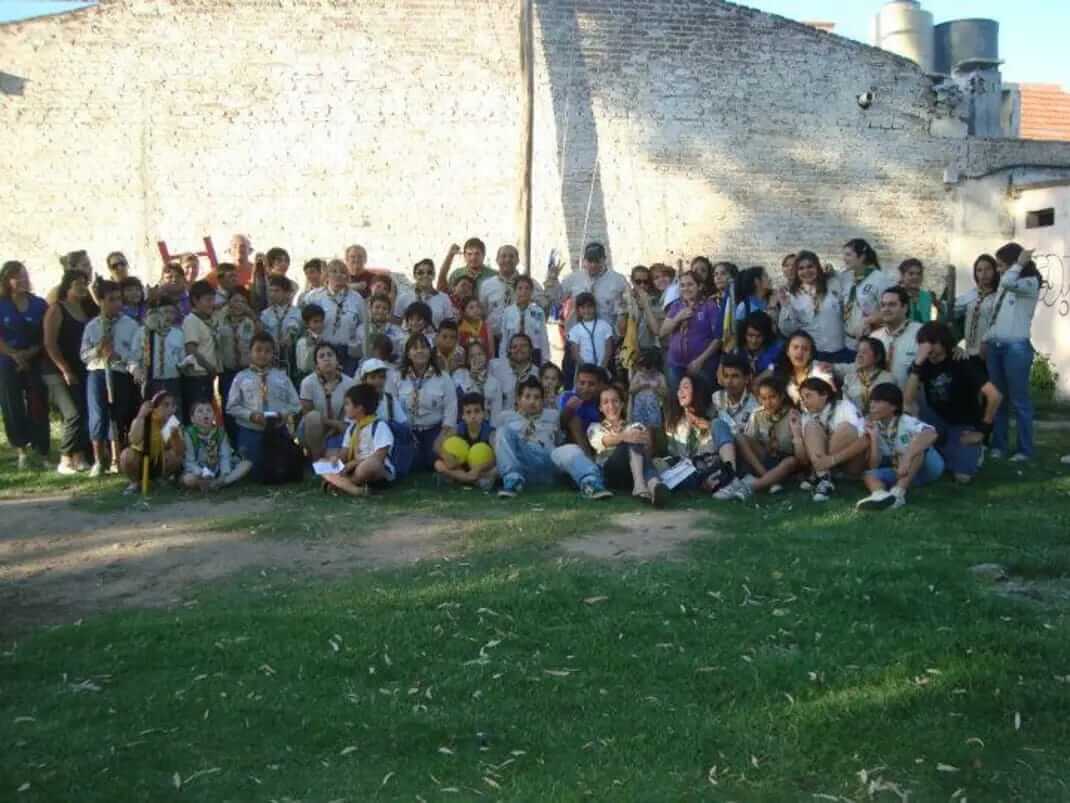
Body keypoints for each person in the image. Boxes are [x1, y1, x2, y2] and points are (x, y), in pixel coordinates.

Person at [906, 322, 1001, 483]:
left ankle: (973, 449)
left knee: (962, 477)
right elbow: (907, 400)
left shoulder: (962, 361)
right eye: (924, 343)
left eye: (932, 343)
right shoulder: (922, 363)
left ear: (944, 342)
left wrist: (983, 431)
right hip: (935, 419)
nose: (928, 348)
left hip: (963, 423)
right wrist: (917, 364)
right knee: (911, 407)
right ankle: (944, 449)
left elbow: (995, 396)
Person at [983, 243, 1041, 462]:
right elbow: (997, 315)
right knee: (998, 400)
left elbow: (1008, 281)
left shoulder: (1029, 282)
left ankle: (1024, 450)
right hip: (996, 346)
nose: (998, 270)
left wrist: (1018, 264)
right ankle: (999, 445)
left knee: (1020, 402)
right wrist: (987, 337)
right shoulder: (1007, 282)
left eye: (1000, 264)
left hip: (1016, 347)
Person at [545, 242, 629, 385]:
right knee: (572, 382)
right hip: (576, 340)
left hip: (605, 341)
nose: (593, 265)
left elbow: (624, 310)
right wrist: (552, 280)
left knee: (606, 384)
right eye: (590, 260)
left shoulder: (618, 281)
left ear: (604, 259)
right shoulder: (573, 278)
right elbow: (556, 300)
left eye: (597, 260)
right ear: (584, 260)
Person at [81, 279, 140, 475]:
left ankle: (117, 458)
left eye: (119, 299)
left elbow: (134, 354)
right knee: (98, 415)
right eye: (111, 299)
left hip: (119, 372)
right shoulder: (92, 326)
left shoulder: (130, 325)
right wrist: (98, 350)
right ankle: (99, 461)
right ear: (100, 301)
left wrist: (119, 356)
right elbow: (83, 355)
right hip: (97, 372)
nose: (117, 304)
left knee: (118, 414)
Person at [225, 332, 301, 479]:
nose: (263, 354)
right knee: (253, 470)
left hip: (277, 430)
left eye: (267, 351)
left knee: (280, 467)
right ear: (250, 352)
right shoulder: (241, 377)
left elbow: (296, 404)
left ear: (273, 354)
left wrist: (282, 414)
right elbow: (231, 406)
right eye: (258, 350)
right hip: (251, 430)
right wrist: (251, 415)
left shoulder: (282, 377)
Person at [856, 382, 943, 511]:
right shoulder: (873, 425)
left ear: (893, 406)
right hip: (902, 470)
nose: (872, 405)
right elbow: (874, 465)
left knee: (917, 448)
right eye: (872, 401)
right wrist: (873, 438)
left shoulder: (906, 421)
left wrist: (907, 458)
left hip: (927, 468)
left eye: (878, 401)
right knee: (868, 474)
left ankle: (898, 494)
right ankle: (880, 496)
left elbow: (931, 434)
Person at [0, 261, 51, 470]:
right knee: (12, 406)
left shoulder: (39, 304)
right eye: (15, 276)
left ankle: (42, 450)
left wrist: (29, 354)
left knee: (38, 406)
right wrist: (14, 355)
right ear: (6, 280)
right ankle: (21, 450)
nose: (21, 280)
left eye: (24, 275)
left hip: (35, 361)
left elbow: (46, 334)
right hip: (6, 361)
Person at [42, 269, 92, 474]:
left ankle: (79, 457)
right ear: (67, 286)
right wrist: (65, 370)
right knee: (72, 413)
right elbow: (49, 343)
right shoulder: (57, 309)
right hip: (57, 370)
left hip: (82, 368)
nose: (82, 286)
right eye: (77, 283)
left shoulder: (86, 309)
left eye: (84, 282)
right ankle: (64, 459)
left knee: (82, 411)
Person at [586, 384, 667, 505]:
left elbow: (648, 450)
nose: (611, 406)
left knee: (635, 435)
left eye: (615, 401)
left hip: (633, 472)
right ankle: (643, 485)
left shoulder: (634, 425)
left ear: (622, 404)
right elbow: (603, 441)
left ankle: (655, 489)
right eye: (606, 402)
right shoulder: (595, 427)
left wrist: (640, 439)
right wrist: (624, 436)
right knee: (631, 439)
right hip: (611, 472)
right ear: (600, 408)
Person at [796, 377, 868, 503]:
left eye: (808, 396)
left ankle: (820, 475)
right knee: (811, 425)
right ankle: (824, 478)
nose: (805, 402)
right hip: (824, 466)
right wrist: (796, 434)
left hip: (850, 464)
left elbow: (865, 440)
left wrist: (832, 460)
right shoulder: (806, 417)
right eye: (802, 399)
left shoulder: (844, 406)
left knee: (846, 427)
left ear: (824, 394)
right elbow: (802, 460)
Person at [733, 375, 805, 498]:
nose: (768, 402)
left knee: (790, 461)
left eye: (772, 397)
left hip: (786, 460)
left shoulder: (792, 414)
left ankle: (752, 487)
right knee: (740, 437)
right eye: (764, 398)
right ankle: (769, 479)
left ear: (781, 396)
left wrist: (796, 431)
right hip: (767, 457)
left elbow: (801, 456)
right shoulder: (757, 415)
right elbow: (750, 441)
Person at [396, 333, 457, 471]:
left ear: (430, 352)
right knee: (410, 463)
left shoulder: (443, 378)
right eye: (414, 348)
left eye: (423, 347)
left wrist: (441, 438)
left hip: (435, 431)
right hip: (408, 431)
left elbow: (451, 411)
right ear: (408, 354)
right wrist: (407, 433)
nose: (419, 351)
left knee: (435, 458)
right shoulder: (398, 377)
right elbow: (393, 409)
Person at [322, 383, 395, 497]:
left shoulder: (379, 426)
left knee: (368, 466)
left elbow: (379, 457)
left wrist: (354, 463)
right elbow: (344, 454)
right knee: (323, 463)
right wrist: (335, 460)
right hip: (353, 469)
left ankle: (341, 484)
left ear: (359, 408)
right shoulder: (352, 428)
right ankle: (354, 489)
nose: (344, 407)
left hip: (375, 471)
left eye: (347, 404)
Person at [494, 376, 562, 498]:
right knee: (502, 431)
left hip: (545, 462)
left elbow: (558, 442)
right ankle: (513, 482)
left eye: (537, 398)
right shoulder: (506, 417)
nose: (532, 401)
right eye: (527, 397)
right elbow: (500, 448)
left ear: (543, 400)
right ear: (518, 399)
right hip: (522, 464)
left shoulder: (553, 415)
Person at [778, 251, 848, 362]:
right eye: (801, 268)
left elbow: (848, 279)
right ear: (796, 271)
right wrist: (786, 306)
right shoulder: (793, 296)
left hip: (840, 351)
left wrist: (833, 272)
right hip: (815, 355)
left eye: (810, 266)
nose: (806, 271)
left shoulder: (832, 283)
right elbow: (786, 330)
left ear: (818, 267)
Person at [706, 354, 758, 499]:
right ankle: (730, 478)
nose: (729, 382)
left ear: (747, 378)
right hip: (718, 453)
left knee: (718, 424)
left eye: (735, 376)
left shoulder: (755, 406)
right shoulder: (716, 397)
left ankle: (730, 477)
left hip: (743, 457)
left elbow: (751, 441)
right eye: (726, 376)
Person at [660, 271, 721, 391]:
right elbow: (662, 332)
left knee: (702, 399)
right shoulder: (676, 306)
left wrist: (699, 361)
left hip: (703, 364)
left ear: (699, 286)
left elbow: (718, 338)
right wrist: (678, 318)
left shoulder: (710, 306)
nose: (685, 288)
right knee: (677, 399)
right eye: (682, 285)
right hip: (676, 364)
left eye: (690, 284)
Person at [304, 259, 366, 373]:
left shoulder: (356, 299)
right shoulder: (313, 297)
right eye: (334, 271)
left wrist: (358, 342)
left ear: (347, 276)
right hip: (323, 351)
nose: (338, 275)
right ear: (326, 275)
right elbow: (306, 323)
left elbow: (363, 324)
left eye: (342, 272)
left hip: (347, 352)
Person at [833, 238, 896, 352]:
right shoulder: (847, 278)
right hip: (848, 343)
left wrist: (869, 320)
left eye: (848, 255)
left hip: (870, 343)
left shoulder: (879, 279)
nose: (844, 258)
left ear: (861, 257)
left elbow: (890, 310)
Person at [663, 373, 722, 491]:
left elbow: (729, 441)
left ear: (698, 391)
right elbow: (673, 453)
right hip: (681, 468)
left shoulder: (715, 416)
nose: (680, 392)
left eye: (685, 387)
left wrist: (709, 427)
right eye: (679, 388)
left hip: (705, 467)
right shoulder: (676, 420)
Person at [479, 244, 547, 343]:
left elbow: (544, 306)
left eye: (511, 256)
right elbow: (482, 313)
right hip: (494, 339)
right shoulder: (487, 285)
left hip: (522, 340)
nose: (507, 260)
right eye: (503, 256)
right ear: (497, 260)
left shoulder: (530, 283)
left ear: (517, 260)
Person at [298, 343, 355, 460]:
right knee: (313, 417)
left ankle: (333, 455)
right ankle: (316, 459)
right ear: (317, 363)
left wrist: (337, 427)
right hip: (312, 428)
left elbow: (347, 416)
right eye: (321, 356)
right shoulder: (308, 383)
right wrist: (333, 424)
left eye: (330, 355)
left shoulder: (349, 383)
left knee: (348, 428)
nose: (326, 358)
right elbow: (307, 414)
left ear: (337, 360)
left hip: (339, 428)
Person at [118, 391, 184, 492]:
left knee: (176, 457)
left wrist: (175, 436)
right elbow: (134, 440)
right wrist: (141, 416)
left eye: (173, 405)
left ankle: (158, 479)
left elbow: (179, 452)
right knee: (126, 455)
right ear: (155, 408)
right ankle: (135, 482)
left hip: (159, 460)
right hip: (140, 460)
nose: (171, 409)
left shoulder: (172, 423)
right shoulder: (143, 420)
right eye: (166, 405)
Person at [181, 398, 252, 491]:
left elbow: (225, 456)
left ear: (214, 416)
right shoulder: (189, 434)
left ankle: (221, 483)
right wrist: (202, 473)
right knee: (188, 479)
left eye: (208, 410)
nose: (205, 414)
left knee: (246, 464)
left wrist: (224, 474)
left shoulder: (220, 432)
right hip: (200, 471)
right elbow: (189, 461)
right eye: (200, 411)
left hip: (218, 469)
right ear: (192, 419)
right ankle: (209, 484)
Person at [215, 288, 257, 445]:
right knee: (229, 408)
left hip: (247, 372)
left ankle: (246, 444)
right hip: (227, 372)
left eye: (243, 302)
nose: (238, 305)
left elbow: (261, 338)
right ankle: (231, 444)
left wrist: (253, 316)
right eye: (235, 300)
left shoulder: (250, 322)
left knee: (247, 407)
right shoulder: (220, 320)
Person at [435, 391, 498, 490]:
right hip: (462, 467)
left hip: (481, 468)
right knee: (438, 464)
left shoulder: (490, 432)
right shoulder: (458, 428)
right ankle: (472, 480)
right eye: (468, 412)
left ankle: (460, 478)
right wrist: (447, 456)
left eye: (477, 411)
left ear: (484, 413)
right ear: (463, 416)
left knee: (497, 470)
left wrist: (480, 468)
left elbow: (496, 457)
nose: (473, 416)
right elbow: (437, 444)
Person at [133, 295, 186, 408]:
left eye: (172, 312)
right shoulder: (143, 332)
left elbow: (182, 359)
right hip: (150, 381)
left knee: (173, 416)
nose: (169, 316)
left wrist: (185, 365)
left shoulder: (178, 334)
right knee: (150, 415)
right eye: (165, 311)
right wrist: (135, 369)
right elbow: (133, 357)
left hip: (172, 381)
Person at [181, 280, 222, 423]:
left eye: (213, 299)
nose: (212, 303)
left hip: (207, 376)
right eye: (208, 300)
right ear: (195, 300)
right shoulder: (191, 320)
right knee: (198, 415)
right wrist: (209, 367)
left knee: (207, 416)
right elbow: (191, 349)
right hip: (197, 376)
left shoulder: (209, 319)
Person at [872, 286, 922, 387]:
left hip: (913, 401)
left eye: (892, 305)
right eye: (883, 305)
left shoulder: (921, 333)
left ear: (905, 308)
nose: (886, 309)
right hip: (880, 400)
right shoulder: (874, 337)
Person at [832, 336, 895, 415]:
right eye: (858, 352)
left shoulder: (887, 379)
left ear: (878, 357)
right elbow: (846, 406)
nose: (859, 356)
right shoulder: (850, 378)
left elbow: (887, 408)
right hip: (853, 420)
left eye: (864, 352)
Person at [955, 254, 1000, 358]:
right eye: (979, 270)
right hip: (969, 353)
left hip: (990, 354)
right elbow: (954, 309)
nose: (984, 274)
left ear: (995, 270)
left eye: (988, 269)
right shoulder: (972, 294)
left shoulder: (1000, 296)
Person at [774, 331, 835, 406]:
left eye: (805, 349)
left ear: (810, 355)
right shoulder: (781, 372)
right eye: (795, 347)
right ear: (787, 352)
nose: (799, 352)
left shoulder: (820, 369)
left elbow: (832, 400)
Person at [497, 275, 548, 364]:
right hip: (514, 353)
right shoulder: (508, 312)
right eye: (520, 288)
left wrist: (545, 361)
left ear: (532, 291)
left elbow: (543, 338)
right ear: (515, 291)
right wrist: (503, 360)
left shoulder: (538, 312)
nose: (523, 292)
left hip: (533, 353)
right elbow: (504, 338)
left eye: (527, 288)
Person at [453, 339, 504, 424]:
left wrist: (492, 431)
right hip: (464, 424)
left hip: (486, 426)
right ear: (467, 360)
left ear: (486, 356)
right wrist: (471, 378)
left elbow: (496, 412)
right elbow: (459, 399)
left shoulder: (494, 382)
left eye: (480, 354)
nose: (477, 358)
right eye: (472, 356)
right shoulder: (459, 375)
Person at [558, 363, 605, 456]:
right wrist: (568, 409)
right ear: (576, 383)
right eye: (582, 383)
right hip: (570, 446)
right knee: (573, 419)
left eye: (591, 384)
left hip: (596, 445)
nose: (586, 388)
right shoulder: (567, 397)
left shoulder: (601, 401)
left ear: (599, 385)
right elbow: (560, 425)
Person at [260, 274, 303, 375]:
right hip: (271, 358)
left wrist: (290, 336)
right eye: (271, 291)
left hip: (292, 359)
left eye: (277, 291)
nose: (272, 294)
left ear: (287, 293)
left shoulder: (297, 313)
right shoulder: (265, 314)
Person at [567, 292, 615, 381]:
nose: (586, 310)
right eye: (583, 307)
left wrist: (602, 367)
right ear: (578, 310)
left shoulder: (604, 325)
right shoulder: (575, 330)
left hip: (603, 369)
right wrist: (586, 369)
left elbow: (608, 349)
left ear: (595, 307)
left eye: (589, 306)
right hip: (584, 371)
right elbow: (575, 353)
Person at [395, 258, 454, 328]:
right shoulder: (404, 297)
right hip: (409, 338)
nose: (425, 275)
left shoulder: (444, 298)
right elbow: (396, 325)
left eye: (429, 272)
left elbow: (449, 326)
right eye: (420, 273)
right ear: (414, 275)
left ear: (434, 275)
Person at [489, 333, 540, 412]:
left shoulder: (538, 374)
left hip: (527, 420)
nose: (518, 349)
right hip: (500, 420)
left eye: (523, 346)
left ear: (531, 349)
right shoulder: (495, 368)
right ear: (509, 350)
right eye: (514, 347)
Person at [353, 294, 404, 365]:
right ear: (370, 309)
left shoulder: (397, 331)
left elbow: (400, 353)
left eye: (384, 308)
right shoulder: (361, 329)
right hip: (365, 368)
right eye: (377, 307)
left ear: (389, 312)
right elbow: (355, 352)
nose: (380, 311)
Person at [736, 312, 781, 383]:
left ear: (766, 336)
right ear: (744, 334)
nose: (754, 341)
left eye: (759, 336)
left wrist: (759, 379)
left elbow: (773, 366)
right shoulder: (737, 350)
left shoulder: (774, 349)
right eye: (750, 335)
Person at [628, 347, 667, 430]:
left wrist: (656, 388)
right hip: (639, 408)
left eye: (650, 370)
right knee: (639, 426)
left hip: (654, 408)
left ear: (655, 367)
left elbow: (665, 392)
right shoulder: (639, 375)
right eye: (643, 369)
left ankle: (653, 434)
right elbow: (631, 390)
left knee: (653, 427)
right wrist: (640, 386)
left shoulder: (659, 376)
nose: (646, 372)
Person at [898, 259, 937, 323]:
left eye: (919, 274)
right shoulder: (895, 296)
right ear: (902, 276)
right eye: (911, 274)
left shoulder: (927, 296)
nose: (916, 277)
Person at [295, 303, 326, 379]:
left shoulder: (322, 338)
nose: (319, 325)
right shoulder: (303, 342)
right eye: (315, 322)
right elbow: (303, 367)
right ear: (306, 324)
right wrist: (312, 347)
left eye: (321, 321)